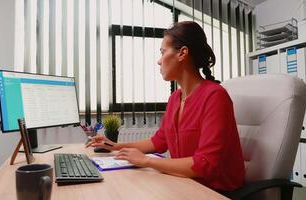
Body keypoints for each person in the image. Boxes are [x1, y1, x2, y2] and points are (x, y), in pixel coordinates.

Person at [86, 21, 245, 192]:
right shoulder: (175, 98)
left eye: (163, 52)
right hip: (187, 184)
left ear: (182, 53)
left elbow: (205, 164)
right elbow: (158, 142)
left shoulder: (215, 96)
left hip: (215, 191)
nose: (159, 61)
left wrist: (146, 161)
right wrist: (114, 146)